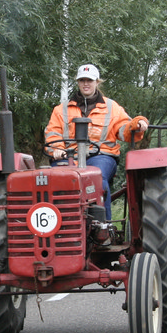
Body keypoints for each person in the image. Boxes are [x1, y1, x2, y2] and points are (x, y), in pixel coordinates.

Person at [44, 64, 148, 220]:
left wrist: (137, 123)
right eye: (82, 80)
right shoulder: (61, 109)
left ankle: (104, 226)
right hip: (69, 156)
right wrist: (57, 149)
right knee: (53, 180)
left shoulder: (111, 107)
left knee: (98, 179)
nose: (86, 84)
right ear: (77, 82)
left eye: (90, 80)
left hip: (102, 155)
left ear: (97, 82)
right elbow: (53, 133)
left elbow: (124, 130)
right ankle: (58, 225)